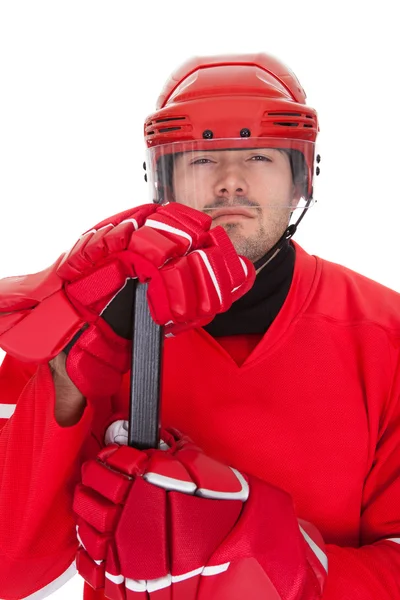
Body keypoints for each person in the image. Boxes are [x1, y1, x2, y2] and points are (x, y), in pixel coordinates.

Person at [0, 53, 399, 600]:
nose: (231, 182)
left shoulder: (389, 335)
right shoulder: (82, 323)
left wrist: (282, 562)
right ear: (161, 180)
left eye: (258, 155)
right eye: (203, 159)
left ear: (302, 177)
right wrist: (66, 384)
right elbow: (7, 570)